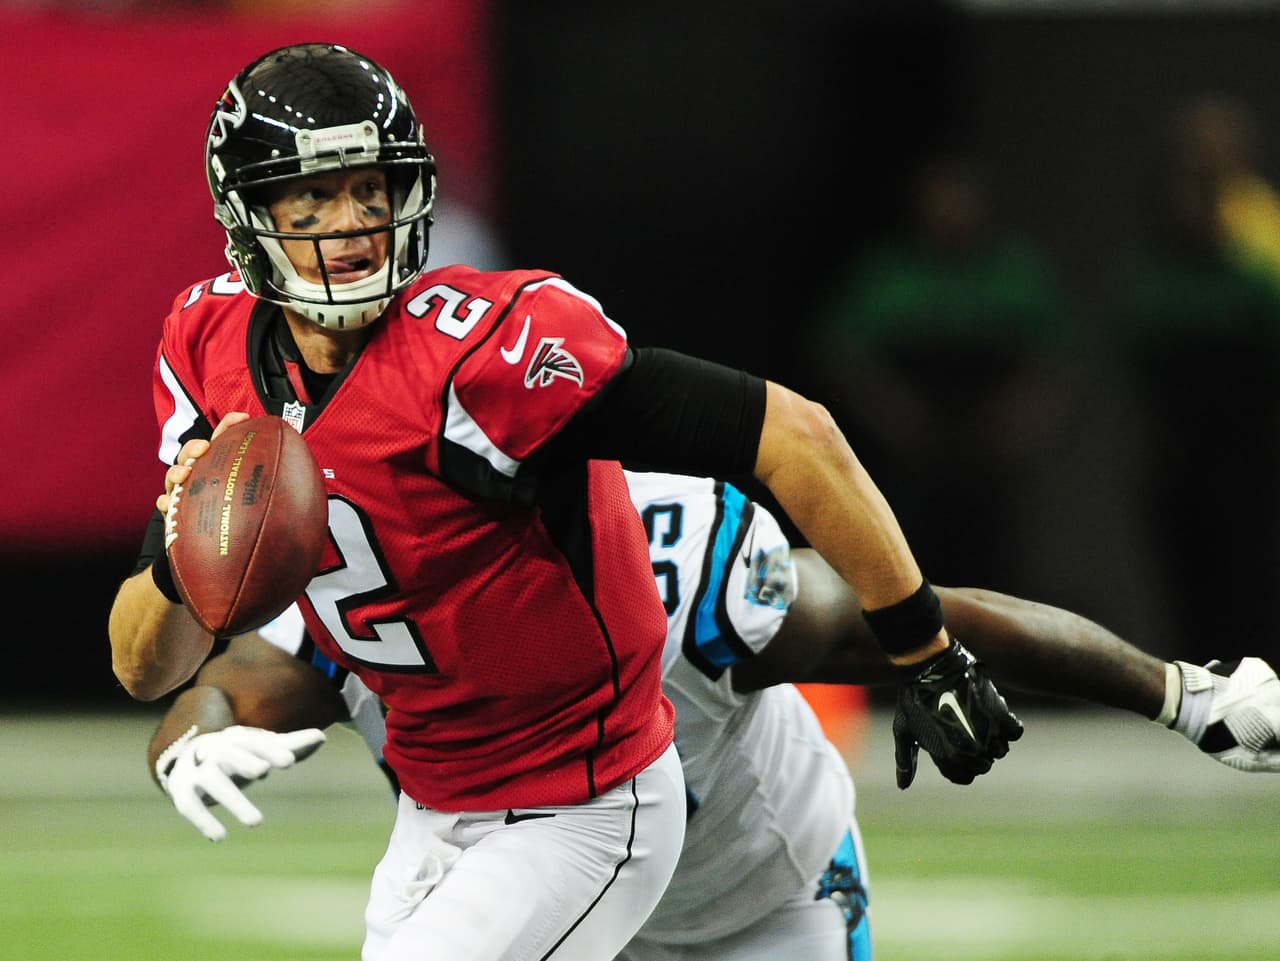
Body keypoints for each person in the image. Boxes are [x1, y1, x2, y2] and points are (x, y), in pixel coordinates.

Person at [107, 43, 1021, 961]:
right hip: (436, 812)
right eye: (313, 197)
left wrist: (927, 651)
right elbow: (145, 666)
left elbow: (795, 436)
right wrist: (188, 568)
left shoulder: (484, 358)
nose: (351, 224)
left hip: (580, 800)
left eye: (371, 191)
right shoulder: (208, 347)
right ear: (249, 212)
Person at [147, 470, 1280, 961]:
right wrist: (189, 741)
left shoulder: (677, 570)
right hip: (560, 913)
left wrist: (1182, 693)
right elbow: (223, 683)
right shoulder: (372, 582)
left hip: (758, 901)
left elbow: (925, 617)